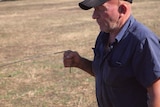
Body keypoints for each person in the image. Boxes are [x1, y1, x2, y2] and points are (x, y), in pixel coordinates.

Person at [63, 0, 160, 107]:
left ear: (122, 9)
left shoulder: (142, 41)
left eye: (100, 9)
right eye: (94, 9)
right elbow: (108, 75)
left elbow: (157, 95)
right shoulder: (104, 36)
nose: (94, 16)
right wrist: (80, 63)